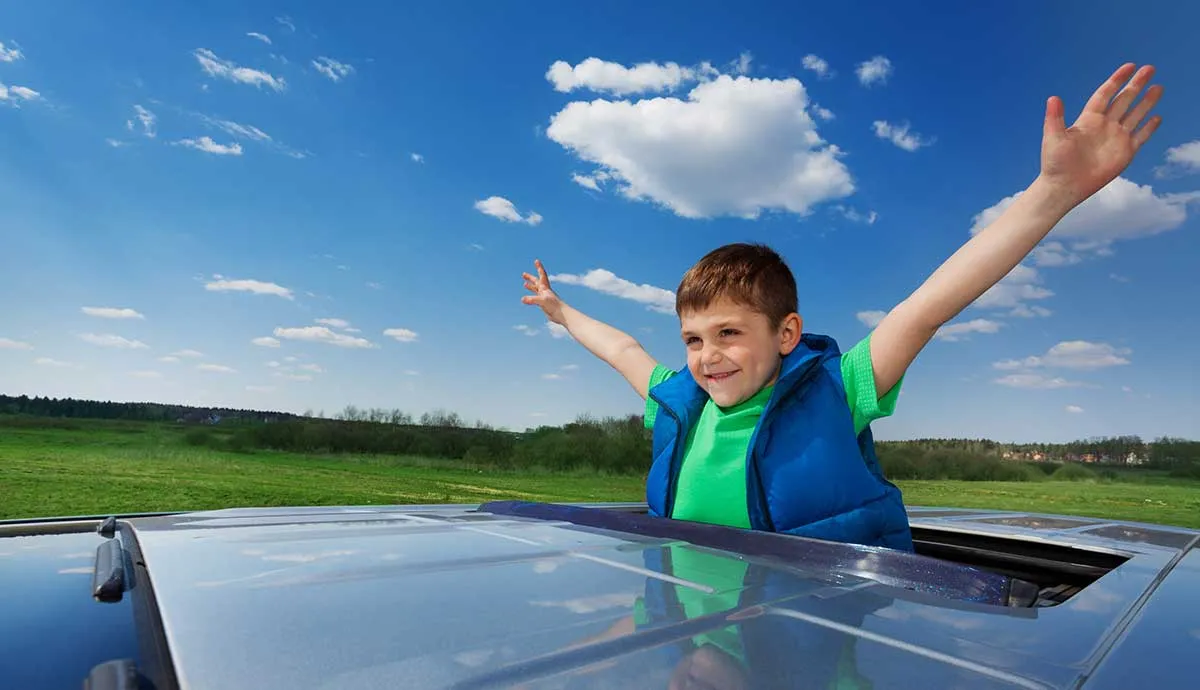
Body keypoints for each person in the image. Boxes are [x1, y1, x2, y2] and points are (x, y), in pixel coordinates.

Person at [520, 63, 1163, 550]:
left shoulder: (840, 390)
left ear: (786, 334)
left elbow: (927, 307)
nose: (707, 356)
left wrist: (1052, 193)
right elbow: (623, 349)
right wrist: (559, 310)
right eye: (693, 339)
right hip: (699, 639)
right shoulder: (678, 402)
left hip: (808, 646)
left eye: (729, 332)